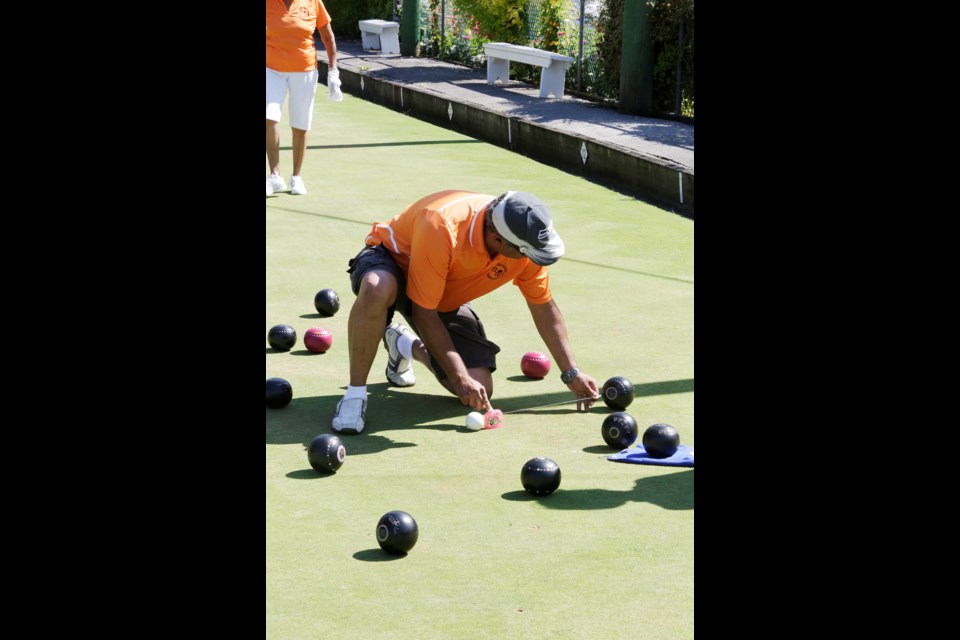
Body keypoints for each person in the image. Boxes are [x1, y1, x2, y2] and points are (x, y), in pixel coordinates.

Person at [332, 189, 600, 434]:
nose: (533, 259)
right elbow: (423, 313)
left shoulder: (523, 245)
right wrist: (457, 376)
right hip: (390, 261)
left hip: (440, 295)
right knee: (377, 288)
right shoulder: (442, 225)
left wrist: (571, 373)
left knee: (477, 386)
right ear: (498, 240)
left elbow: (543, 308)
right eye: (527, 252)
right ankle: (355, 395)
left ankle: (404, 345)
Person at [266, 0, 341, 197]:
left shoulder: (313, 2)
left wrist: (333, 70)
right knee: (269, 116)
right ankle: (275, 176)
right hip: (271, 68)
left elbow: (328, 37)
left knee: (300, 123)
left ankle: (296, 177)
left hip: (305, 70)